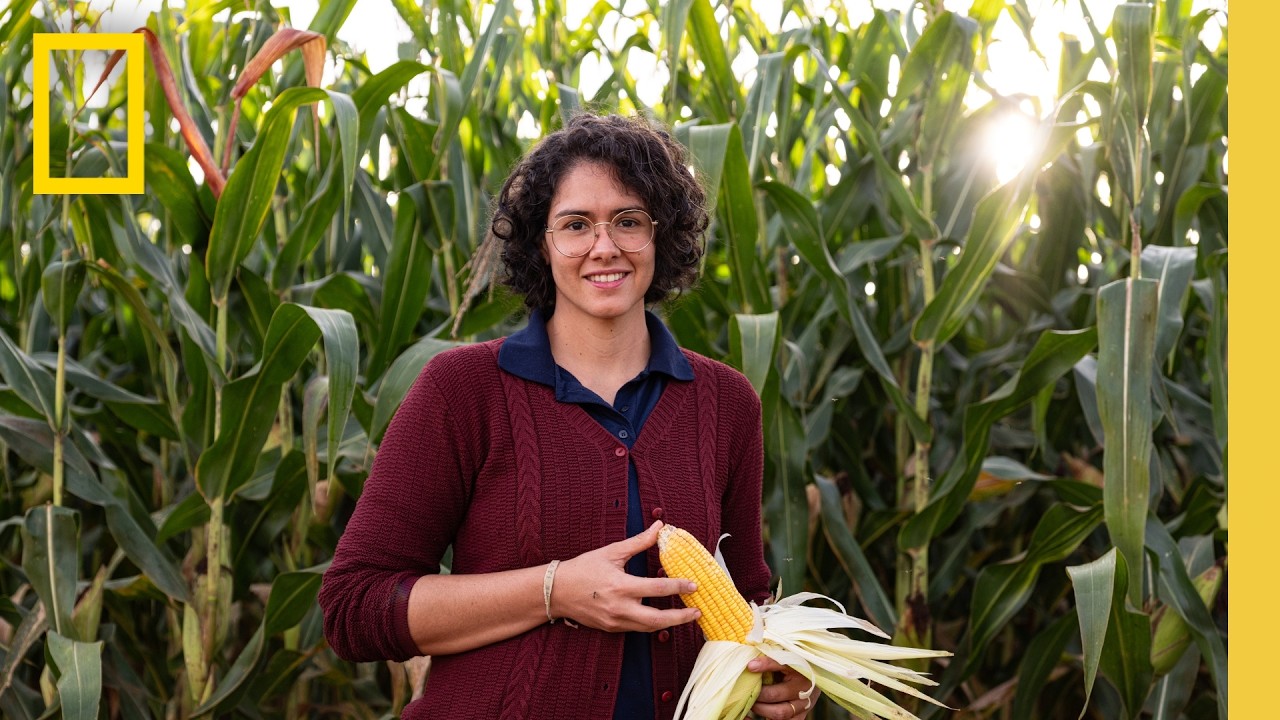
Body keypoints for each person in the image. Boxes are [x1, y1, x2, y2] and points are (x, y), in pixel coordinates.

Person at [319, 113, 815, 719]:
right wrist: (555, 591)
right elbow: (354, 608)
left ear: (663, 238)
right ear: (541, 243)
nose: (603, 247)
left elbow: (745, 602)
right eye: (575, 224)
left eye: (629, 221)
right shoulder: (463, 391)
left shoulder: (726, 402)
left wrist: (779, 679)